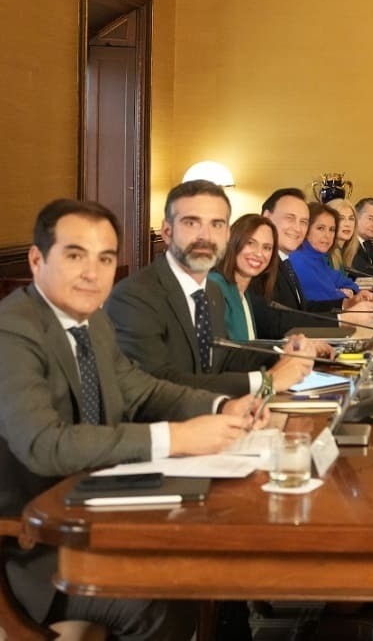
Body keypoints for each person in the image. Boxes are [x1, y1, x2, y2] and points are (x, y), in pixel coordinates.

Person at [0, 199, 265, 641]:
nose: (92, 273)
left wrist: (221, 407)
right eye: (74, 255)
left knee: (201, 563)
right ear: (36, 259)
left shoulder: (91, 320)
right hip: (35, 548)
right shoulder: (14, 331)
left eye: (105, 259)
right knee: (162, 601)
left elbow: (141, 389)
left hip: (100, 511)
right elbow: (45, 444)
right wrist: (175, 438)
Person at [106, 180, 316, 397]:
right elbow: (158, 383)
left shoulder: (210, 292)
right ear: (167, 232)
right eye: (191, 223)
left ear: (227, 235)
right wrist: (266, 381)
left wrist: (286, 355)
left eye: (216, 224)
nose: (205, 236)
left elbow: (223, 357)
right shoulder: (135, 297)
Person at [290, 202, 373, 306]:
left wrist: (354, 291)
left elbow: (344, 282)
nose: (327, 235)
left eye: (332, 230)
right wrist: (344, 295)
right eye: (320, 228)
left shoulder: (317, 257)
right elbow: (326, 298)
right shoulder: (298, 260)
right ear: (305, 229)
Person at [208, 214, 278, 342]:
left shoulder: (243, 292)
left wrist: (291, 347)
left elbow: (248, 349)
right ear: (233, 242)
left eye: (267, 248)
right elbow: (223, 355)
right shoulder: (214, 287)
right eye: (250, 243)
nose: (259, 253)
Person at [325, 198, 359, 274]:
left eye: (351, 219)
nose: (347, 224)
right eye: (341, 219)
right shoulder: (325, 255)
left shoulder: (344, 252)